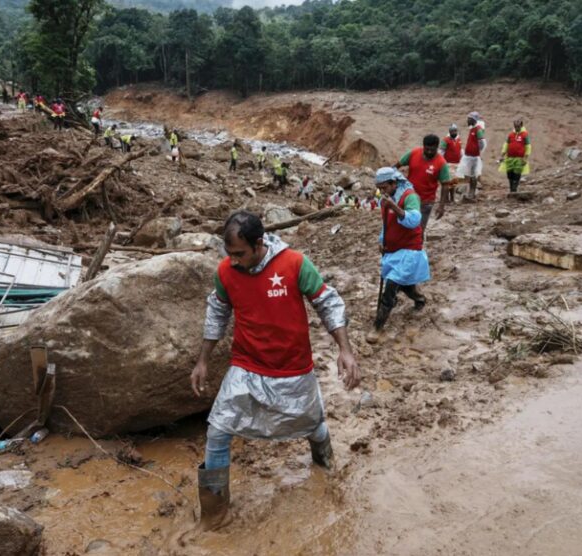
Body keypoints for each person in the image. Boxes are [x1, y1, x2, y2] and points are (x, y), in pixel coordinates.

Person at [191, 210, 360, 530]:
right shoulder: (226, 272)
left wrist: (345, 351)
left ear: (259, 244)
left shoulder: (295, 263)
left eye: (240, 254)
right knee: (218, 430)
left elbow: (328, 303)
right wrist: (202, 360)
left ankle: (326, 470)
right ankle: (214, 515)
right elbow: (216, 313)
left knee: (312, 425)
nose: (235, 261)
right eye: (230, 254)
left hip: (293, 369)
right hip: (246, 365)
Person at [367, 168, 431, 344]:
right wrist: (383, 240)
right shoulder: (384, 200)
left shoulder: (409, 197)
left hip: (409, 249)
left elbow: (413, 220)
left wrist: (394, 207)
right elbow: (386, 224)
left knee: (391, 285)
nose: (382, 192)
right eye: (379, 188)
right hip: (394, 249)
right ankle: (420, 299)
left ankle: (377, 327)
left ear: (394, 183)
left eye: (384, 187)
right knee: (403, 284)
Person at [396, 134, 451, 237]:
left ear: (437, 148)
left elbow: (445, 185)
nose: (429, 152)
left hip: (426, 202)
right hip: (408, 198)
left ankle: (417, 250)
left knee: (418, 231)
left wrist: (441, 206)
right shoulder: (413, 153)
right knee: (403, 227)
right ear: (423, 146)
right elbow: (397, 165)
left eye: (432, 150)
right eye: (427, 149)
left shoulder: (441, 163)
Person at [457, 111, 486, 201]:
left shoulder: (477, 129)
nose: (467, 121)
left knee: (473, 175)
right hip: (469, 156)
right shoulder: (472, 129)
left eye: (469, 119)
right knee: (468, 175)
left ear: (473, 120)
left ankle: (472, 194)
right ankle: (469, 192)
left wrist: (478, 152)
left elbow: (482, 142)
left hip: (473, 157)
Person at [499, 118, 531, 192]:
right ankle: (511, 189)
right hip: (509, 158)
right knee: (509, 174)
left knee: (517, 173)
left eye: (518, 126)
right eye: (515, 126)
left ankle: (514, 189)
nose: (516, 128)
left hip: (519, 158)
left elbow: (528, 146)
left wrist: (525, 158)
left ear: (521, 126)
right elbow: (506, 145)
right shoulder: (511, 135)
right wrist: (502, 155)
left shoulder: (524, 135)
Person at [438, 124, 463, 202]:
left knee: (454, 182)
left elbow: (460, 151)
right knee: (448, 182)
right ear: (449, 131)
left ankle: (452, 198)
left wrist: (462, 160)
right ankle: (447, 198)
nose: (454, 132)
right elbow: (441, 152)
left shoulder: (458, 140)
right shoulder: (446, 140)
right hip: (448, 164)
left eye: (455, 130)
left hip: (456, 164)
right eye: (452, 131)